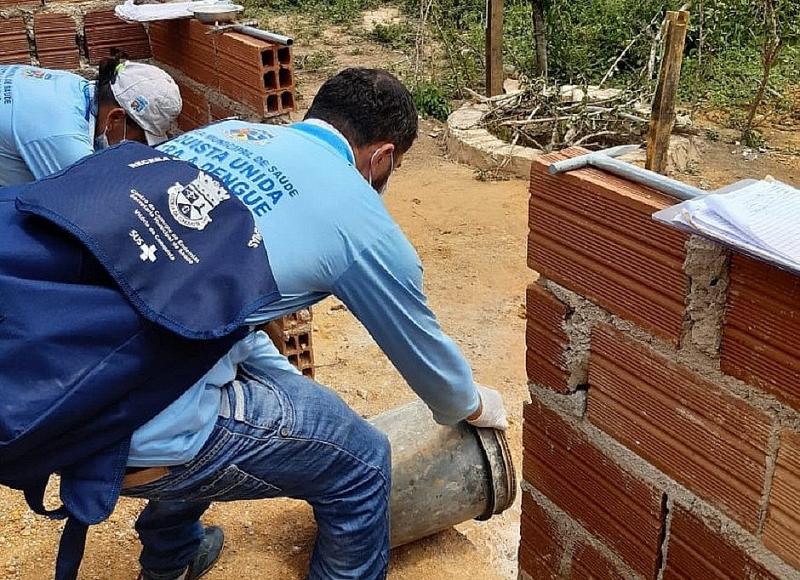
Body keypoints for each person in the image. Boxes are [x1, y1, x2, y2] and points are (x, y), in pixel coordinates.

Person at [117, 68, 508, 580]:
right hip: (136, 427)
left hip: (55, 383)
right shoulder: (358, 218)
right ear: (383, 156)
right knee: (364, 463)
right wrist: (477, 404)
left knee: (245, 374)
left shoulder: (221, 134)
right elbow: (440, 382)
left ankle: (173, 557)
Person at [0, 56, 181, 186]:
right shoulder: (64, 137)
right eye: (140, 140)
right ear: (115, 118)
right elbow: (90, 206)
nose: (139, 150)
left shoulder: (72, 86)